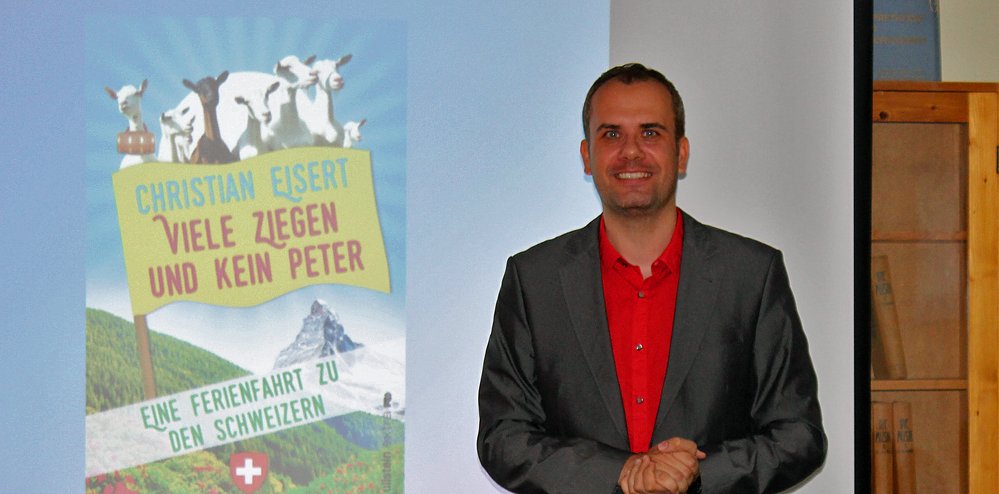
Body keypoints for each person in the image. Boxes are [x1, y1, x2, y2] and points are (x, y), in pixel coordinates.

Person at [477, 63, 827, 494]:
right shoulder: (535, 280)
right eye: (611, 134)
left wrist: (699, 472)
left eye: (650, 133)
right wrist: (618, 472)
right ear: (587, 156)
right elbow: (503, 438)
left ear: (681, 153)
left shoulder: (751, 274)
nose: (631, 152)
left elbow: (799, 435)